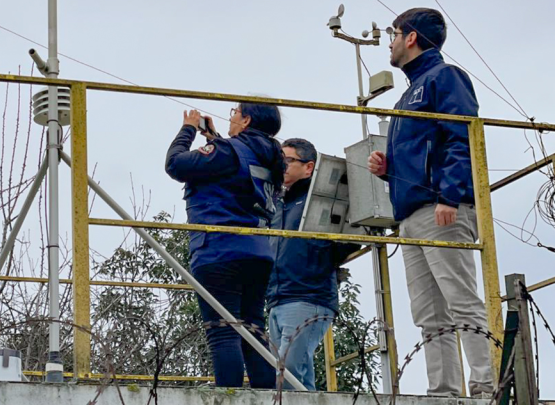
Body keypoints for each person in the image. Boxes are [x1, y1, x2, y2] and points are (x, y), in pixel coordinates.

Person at [367, 8, 494, 397]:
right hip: (413, 212)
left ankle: (487, 385)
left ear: (411, 37)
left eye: (393, 33)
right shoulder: (409, 92)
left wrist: (449, 195)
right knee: (428, 313)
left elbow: (460, 136)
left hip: (443, 208)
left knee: (461, 301)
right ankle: (444, 390)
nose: (388, 41)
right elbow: (427, 150)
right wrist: (389, 168)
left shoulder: (445, 77)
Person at [165, 103, 285, 388]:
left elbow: (175, 164)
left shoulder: (229, 151)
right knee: (252, 329)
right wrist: (215, 141)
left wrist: (188, 130)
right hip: (257, 251)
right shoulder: (272, 157)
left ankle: (229, 396)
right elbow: (237, 176)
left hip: (219, 249)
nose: (230, 117)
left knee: (223, 331)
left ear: (246, 120)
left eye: (235, 112)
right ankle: (267, 396)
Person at [267, 138, 360, 390]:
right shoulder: (277, 204)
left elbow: (351, 239)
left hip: (308, 295)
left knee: (288, 372)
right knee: (294, 376)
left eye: (288, 160)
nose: (281, 166)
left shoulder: (323, 201)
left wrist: (319, 255)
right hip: (277, 297)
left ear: (309, 167)